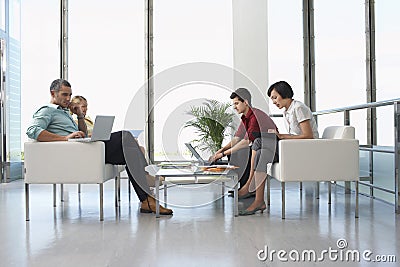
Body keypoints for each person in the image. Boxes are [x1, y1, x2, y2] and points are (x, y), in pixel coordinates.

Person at [26, 79, 172, 215]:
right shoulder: (47, 110)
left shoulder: (64, 112)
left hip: (86, 150)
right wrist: (64, 138)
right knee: (125, 136)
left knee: (129, 151)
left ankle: (146, 200)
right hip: (78, 153)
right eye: (64, 94)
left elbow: (82, 132)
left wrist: (79, 116)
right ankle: (146, 181)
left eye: (70, 95)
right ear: (53, 93)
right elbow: (32, 131)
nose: (68, 98)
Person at [239, 81, 319, 216]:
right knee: (261, 153)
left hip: (305, 150)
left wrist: (281, 136)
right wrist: (278, 136)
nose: (274, 102)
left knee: (258, 142)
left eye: (275, 97)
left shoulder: (298, 107)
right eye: (272, 99)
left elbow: (308, 136)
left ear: (284, 93)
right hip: (293, 148)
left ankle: (249, 186)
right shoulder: (287, 111)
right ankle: (258, 200)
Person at [69, 95, 163, 187]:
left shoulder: (88, 120)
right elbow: (81, 135)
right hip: (95, 149)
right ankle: (145, 177)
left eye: (86, 106)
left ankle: (145, 177)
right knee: (127, 138)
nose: (85, 109)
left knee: (136, 146)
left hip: (99, 144)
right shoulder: (75, 121)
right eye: (83, 106)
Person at [209, 88, 278, 199]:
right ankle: (243, 186)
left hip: (269, 149)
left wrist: (223, 154)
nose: (234, 107)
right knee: (234, 152)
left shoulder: (255, 116)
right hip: (258, 146)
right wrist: (221, 150)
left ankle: (250, 189)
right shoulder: (245, 117)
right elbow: (237, 138)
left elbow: (247, 141)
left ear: (245, 102)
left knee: (241, 152)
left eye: (236, 103)